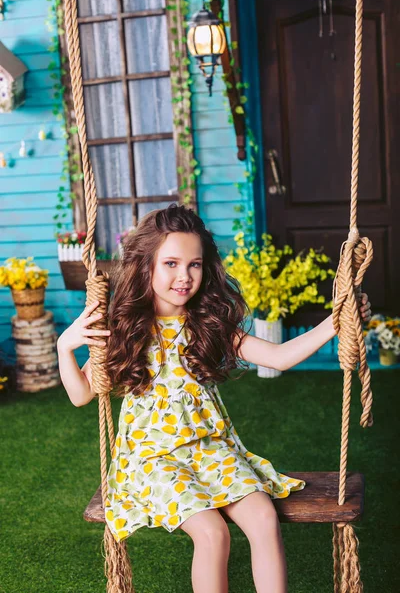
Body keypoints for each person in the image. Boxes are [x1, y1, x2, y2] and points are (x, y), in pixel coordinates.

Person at [57, 204, 372, 593]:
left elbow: (277, 356)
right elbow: (82, 394)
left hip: (210, 450)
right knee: (212, 533)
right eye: (171, 263)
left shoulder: (207, 325)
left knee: (261, 517)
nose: (184, 276)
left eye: (194, 264)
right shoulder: (127, 328)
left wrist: (335, 323)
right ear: (146, 266)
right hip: (153, 459)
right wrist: (63, 348)